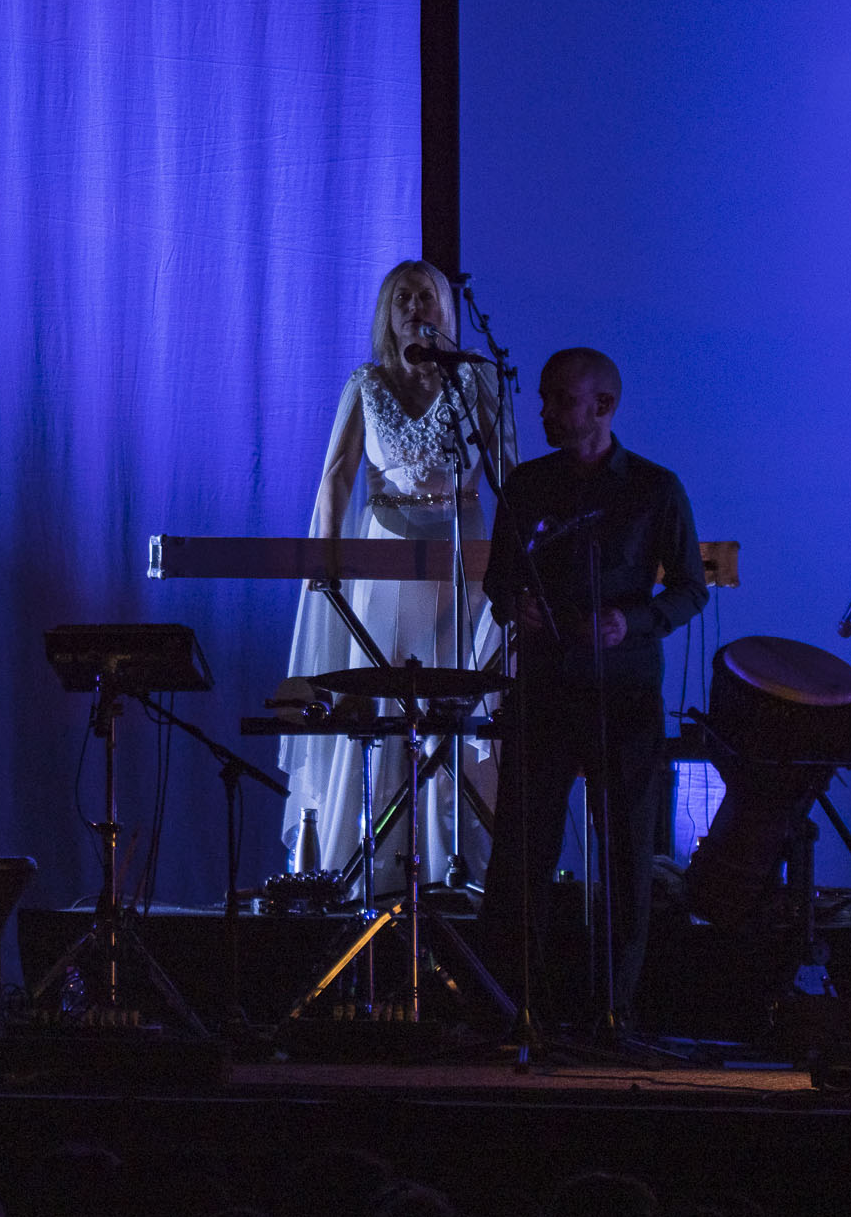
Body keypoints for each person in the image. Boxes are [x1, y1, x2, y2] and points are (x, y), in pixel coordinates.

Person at [479, 347, 707, 1028]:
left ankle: (615, 1014)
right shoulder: (525, 486)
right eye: (545, 398)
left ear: (602, 407)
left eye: (559, 400)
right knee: (523, 854)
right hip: (545, 687)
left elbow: (691, 587)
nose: (544, 411)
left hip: (624, 694)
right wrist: (511, 603)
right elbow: (497, 580)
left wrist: (630, 620)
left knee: (627, 858)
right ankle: (513, 1010)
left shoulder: (655, 489)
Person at [279, 260, 512, 895]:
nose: (416, 307)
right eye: (402, 297)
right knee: (383, 702)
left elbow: (509, 471)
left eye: (427, 296)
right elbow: (336, 477)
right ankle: (375, 866)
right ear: (387, 311)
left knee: (456, 704)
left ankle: (462, 864)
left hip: (465, 560)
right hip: (386, 559)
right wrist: (323, 566)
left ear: (445, 308)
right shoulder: (366, 382)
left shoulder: (476, 380)